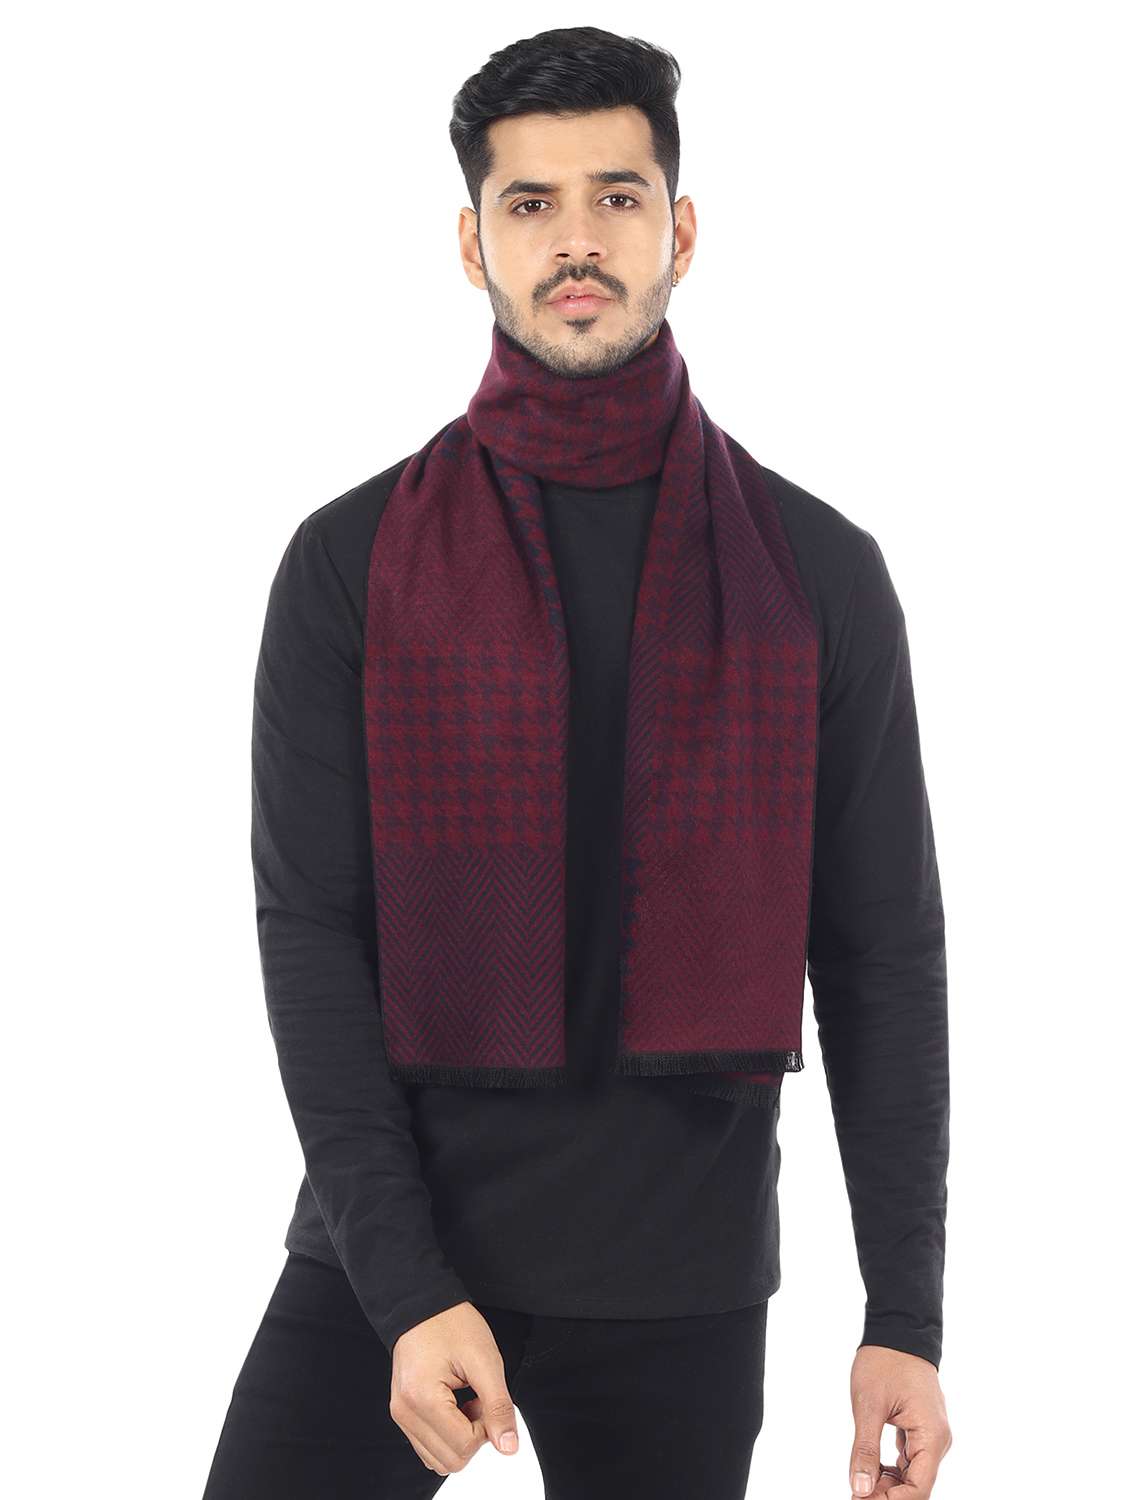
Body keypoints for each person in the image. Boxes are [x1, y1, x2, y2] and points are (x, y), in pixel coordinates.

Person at [202, 26, 953, 1500]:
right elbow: (312, 937)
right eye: (530, 204)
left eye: (616, 197)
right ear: (469, 242)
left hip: (681, 1286)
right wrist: (405, 1289)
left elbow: (882, 957)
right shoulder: (350, 564)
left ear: (682, 230)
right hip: (392, 1254)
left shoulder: (818, 573)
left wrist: (904, 1318)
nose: (576, 242)